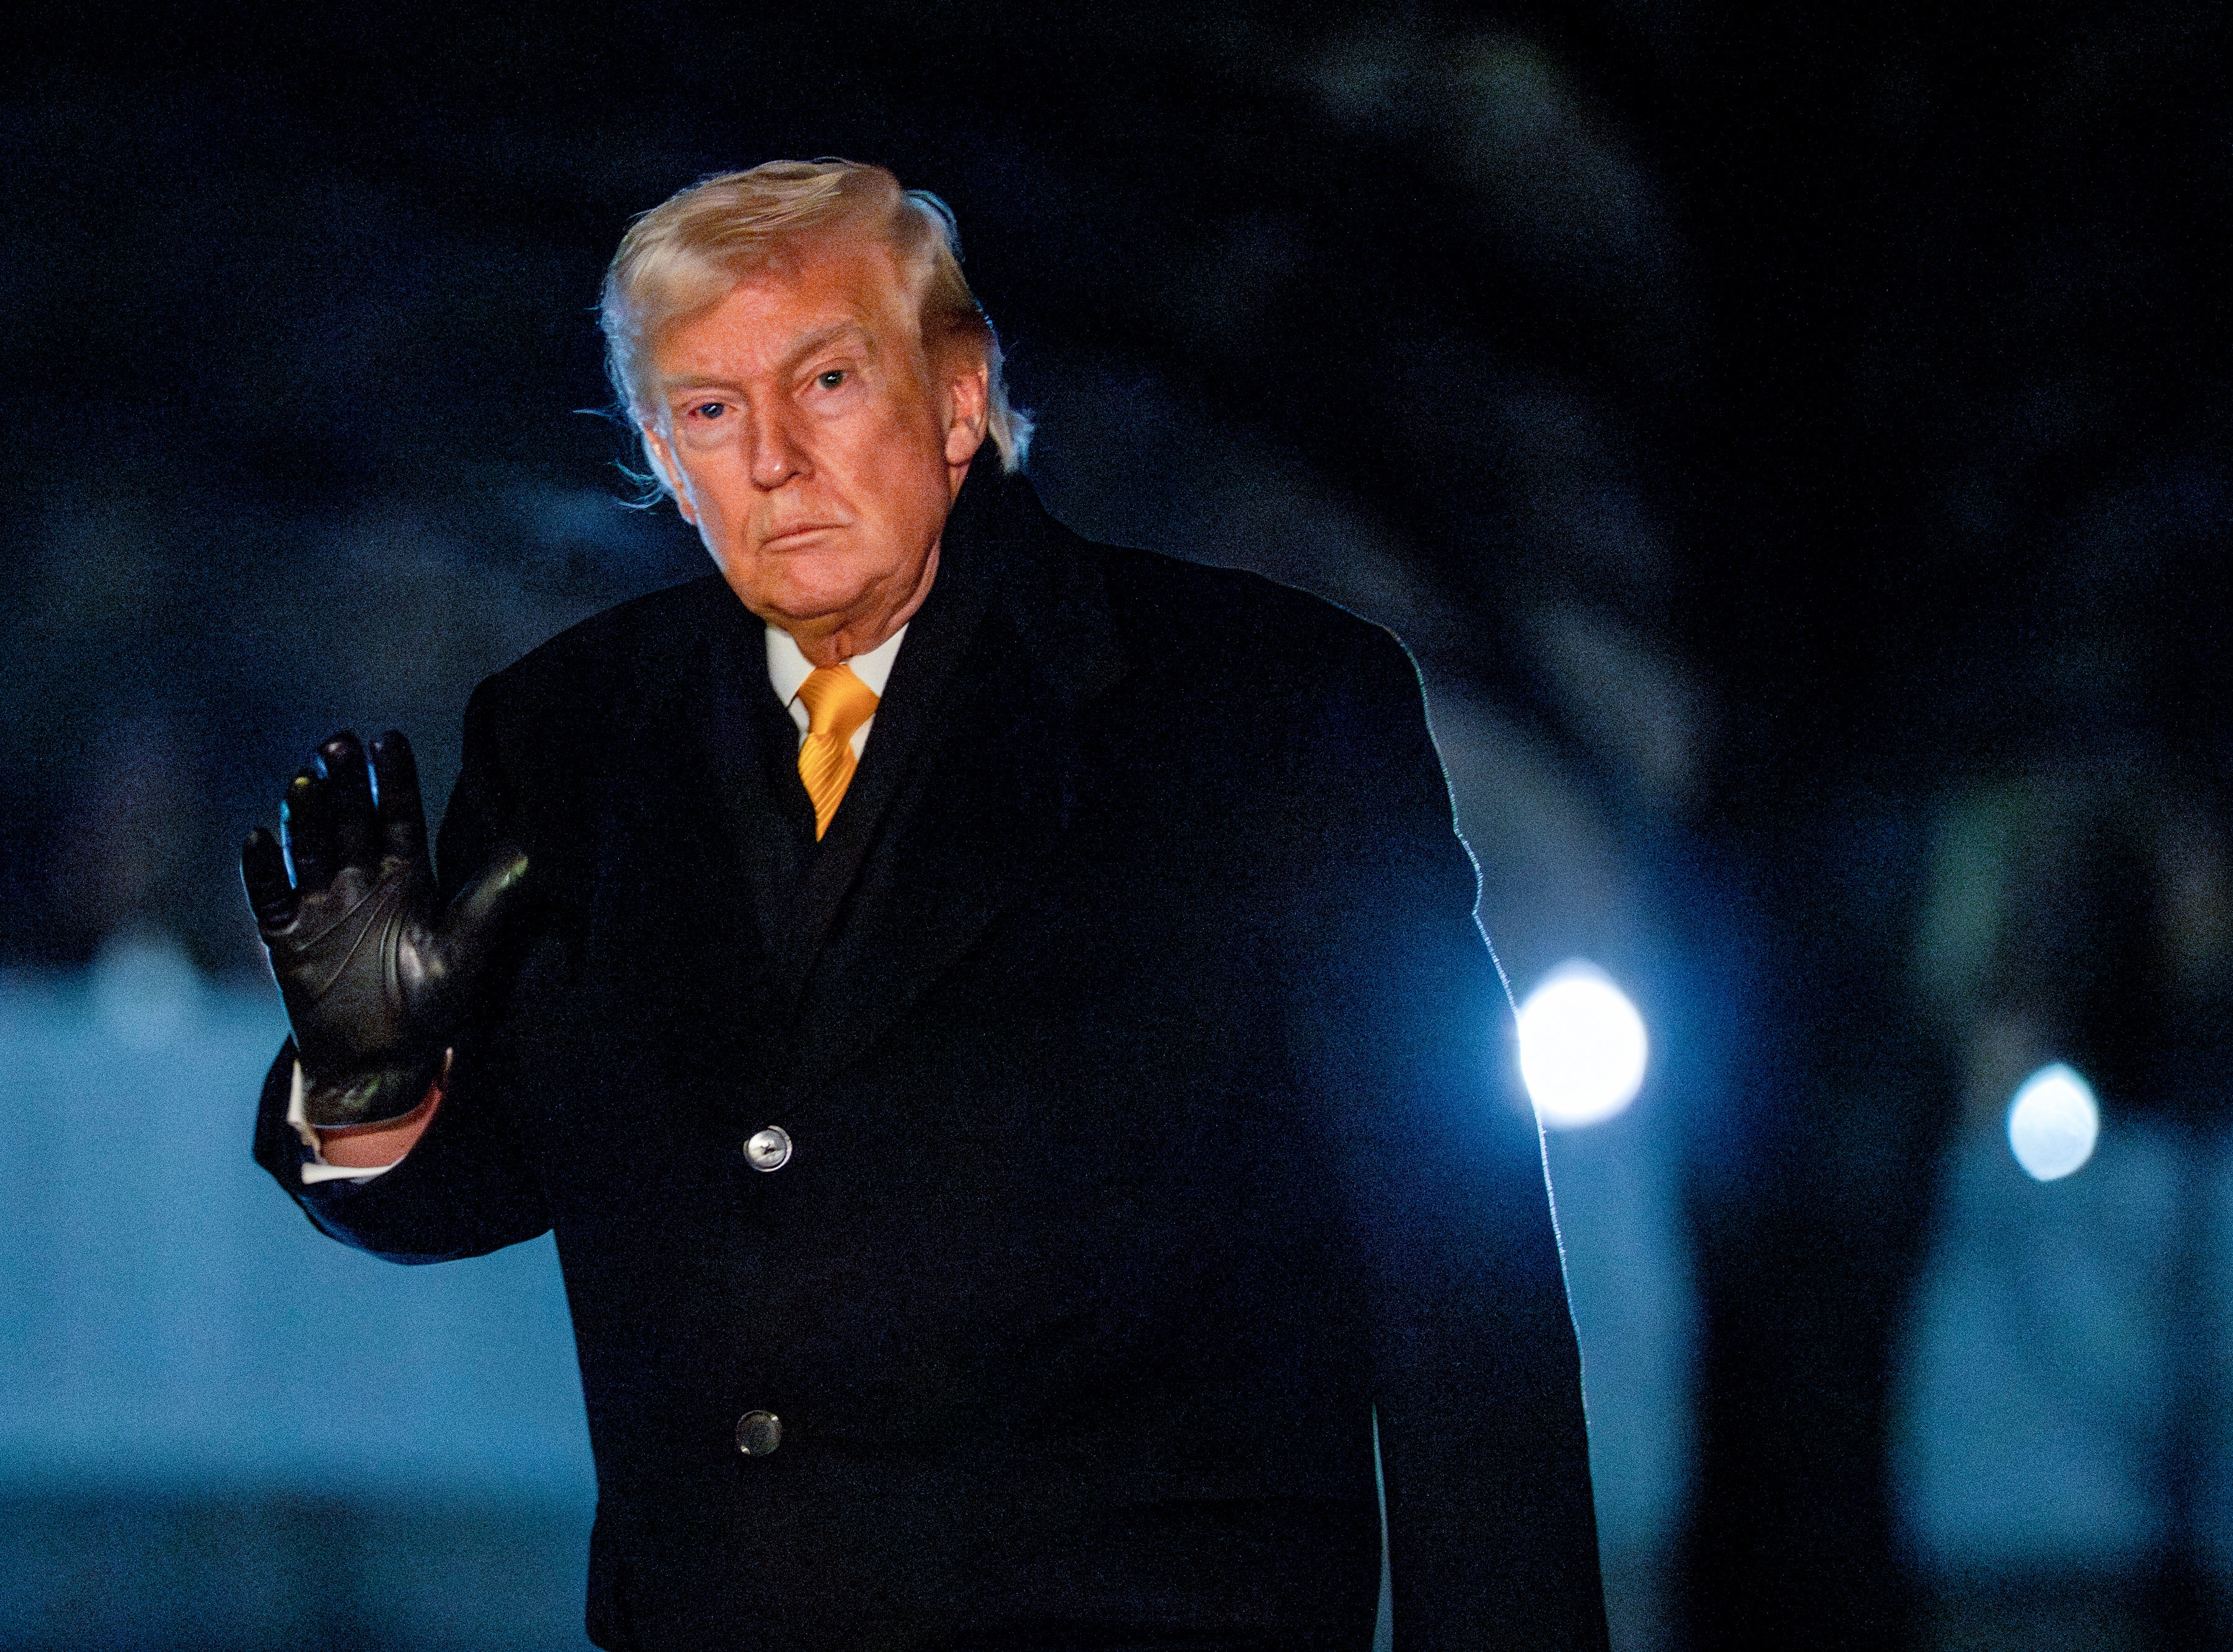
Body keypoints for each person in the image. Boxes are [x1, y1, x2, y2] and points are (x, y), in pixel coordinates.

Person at [243, 159, 1607, 1652]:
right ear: (660, 451)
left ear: (960, 401)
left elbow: (1460, 1278)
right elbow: (498, 1174)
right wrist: (372, 1086)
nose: (768, 457)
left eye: (824, 379)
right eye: (706, 409)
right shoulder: (568, 734)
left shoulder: (1265, 711)